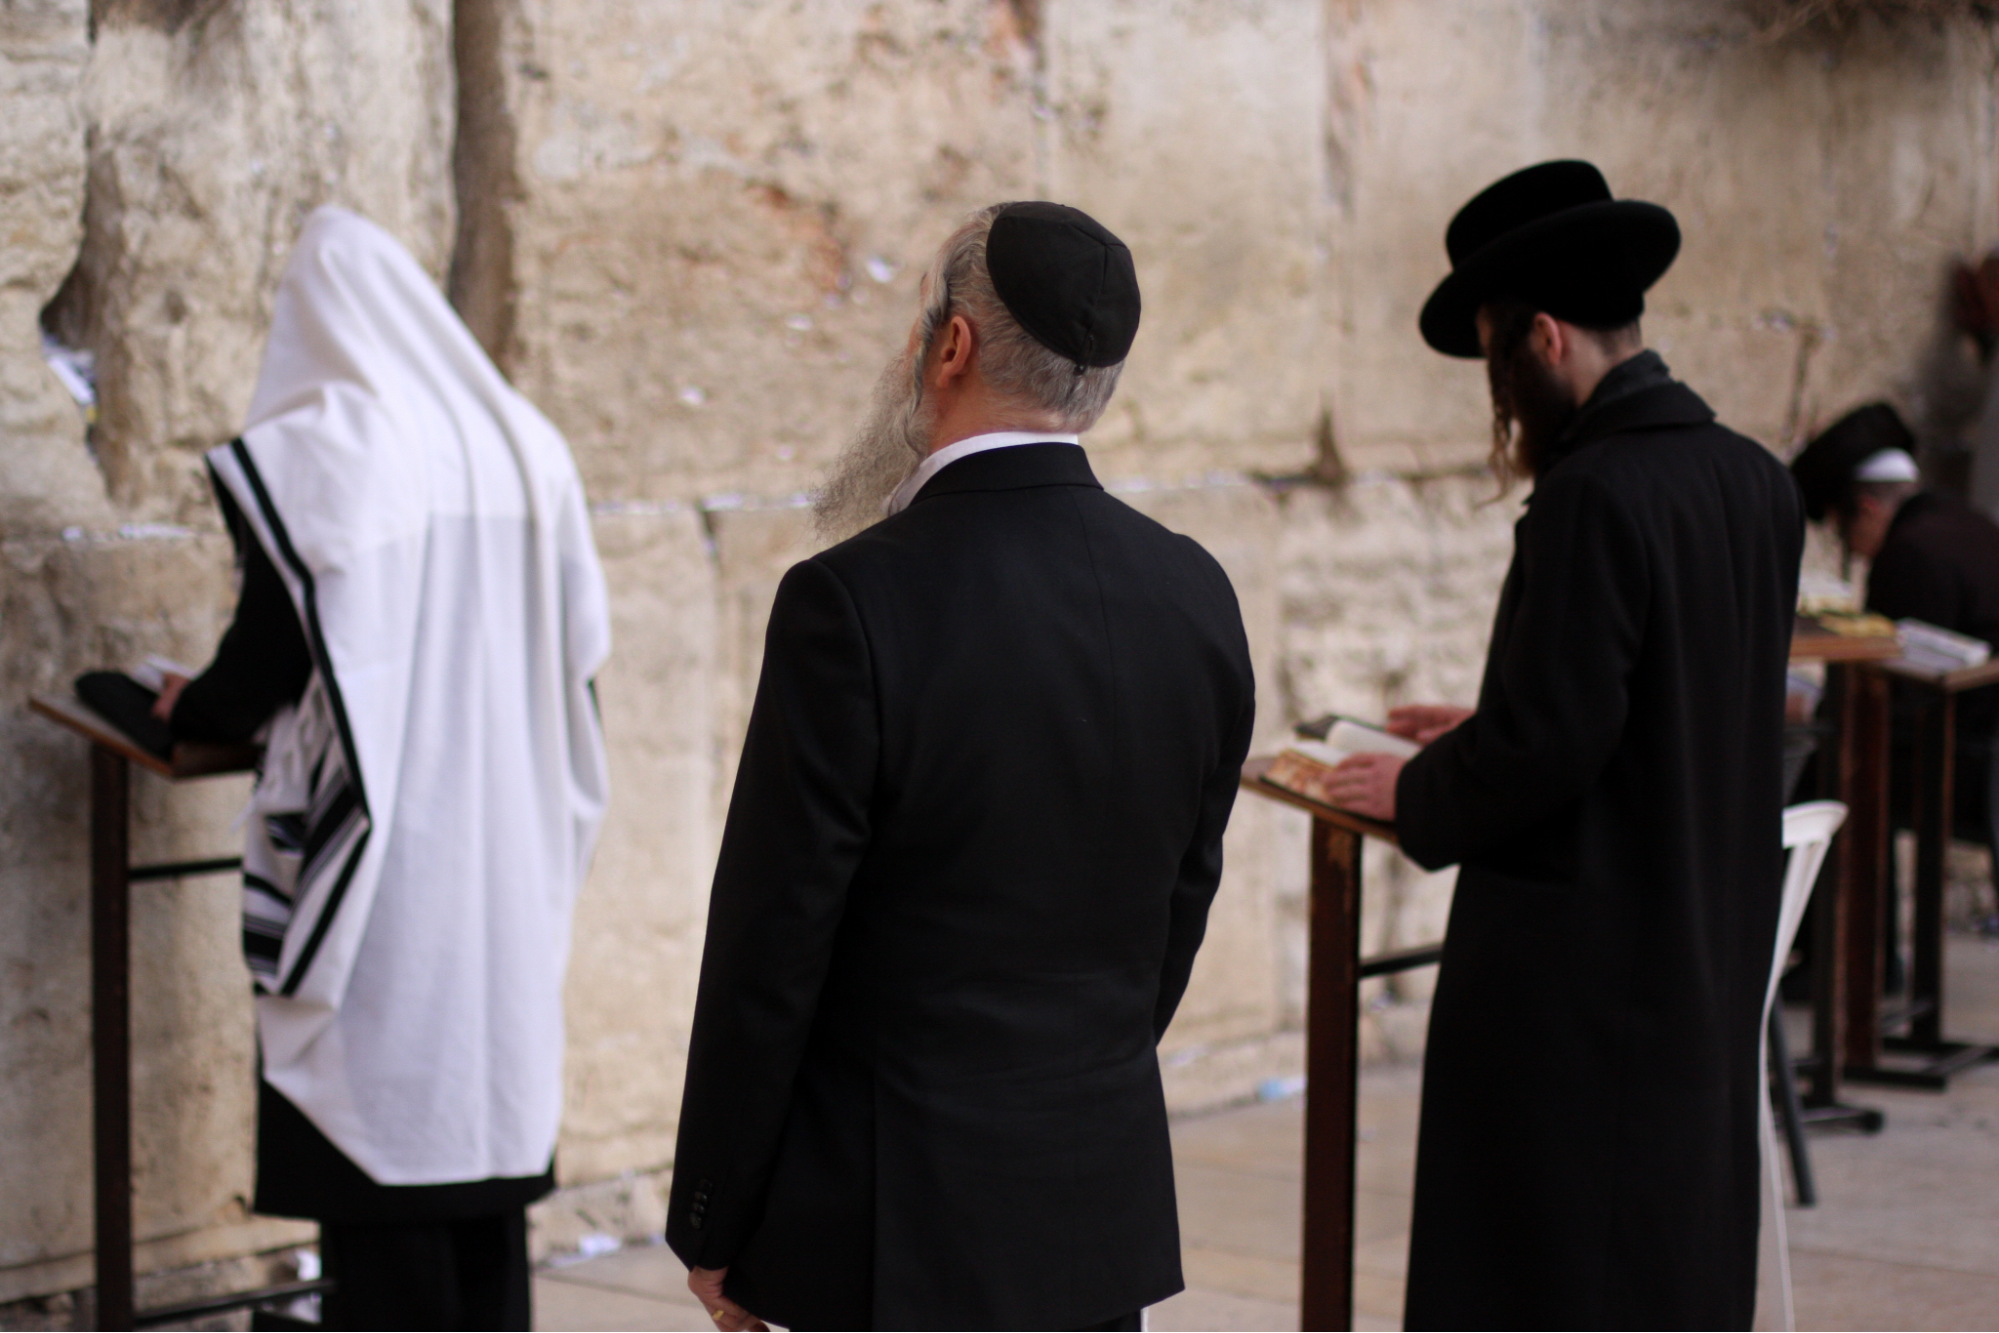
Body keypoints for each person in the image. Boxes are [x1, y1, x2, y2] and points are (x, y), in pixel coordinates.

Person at [664, 202, 1255, 1333]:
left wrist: (717, 1220)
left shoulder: (850, 601)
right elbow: (1180, 901)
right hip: (1091, 1204)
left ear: (951, 346)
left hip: (898, 1221)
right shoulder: (1193, 590)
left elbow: (773, 942)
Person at [1324, 160, 1804, 1330]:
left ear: (1541, 338)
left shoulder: (1596, 493)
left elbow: (1554, 745)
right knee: (1661, 1256)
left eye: (1493, 357)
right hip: (1698, 952)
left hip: (1585, 991)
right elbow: (1662, 705)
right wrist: (1481, 726)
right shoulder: (1749, 479)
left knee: (1552, 1268)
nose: (1496, 396)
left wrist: (1418, 785)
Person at [153, 206, 611, 1332]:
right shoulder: (528, 445)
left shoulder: (335, 452)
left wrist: (190, 708)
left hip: (396, 878)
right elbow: (581, 667)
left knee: (386, 1173)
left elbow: (266, 653)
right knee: (478, 1190)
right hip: (505, 863)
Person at [1790, 402, 1999, 970]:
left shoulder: (1911, 552)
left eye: (1841, 530)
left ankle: (1846, 964)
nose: (1852, 548)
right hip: (1981, 748)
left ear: (1864, 507)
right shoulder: (1965, 523)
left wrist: (1810, 704)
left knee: (1829, 765)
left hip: (1971, 762)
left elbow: (1891, 698)